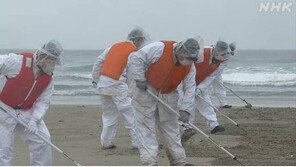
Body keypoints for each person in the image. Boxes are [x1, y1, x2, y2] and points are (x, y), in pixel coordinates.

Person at [129, 38, 201, 165]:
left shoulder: (190, 66)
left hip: (168, 94)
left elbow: (190, 87)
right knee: (146, 129)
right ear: (180, 50)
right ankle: (149, 162)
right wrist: (139, 78)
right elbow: (136, 58)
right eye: (187, 57)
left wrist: (186, 109)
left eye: (191, 58)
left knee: (171, 129)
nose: (189, 61)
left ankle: (179, 161)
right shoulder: (159, 48)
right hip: (146, 90)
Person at [0, 40, 64, 165]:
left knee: (43, 140)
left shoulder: (48, 78)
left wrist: (35, 120)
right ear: (43, 56)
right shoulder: (17, 61)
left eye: (54, 62)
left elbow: (43, 101)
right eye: (51, 61)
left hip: (27, 110)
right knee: (4, 149)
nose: (52, 65)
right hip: (3, 109)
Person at [91, 27, 150, 149]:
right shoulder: (134, 53)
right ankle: (137, 143)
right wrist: (131, 92)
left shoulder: (113, 47)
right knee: (130, 114)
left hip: (103, 84)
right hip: (117, 85)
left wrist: (96, 79)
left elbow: (98, 62)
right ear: (137, 40)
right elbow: (132, 75)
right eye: (141, 40)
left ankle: (106, 142)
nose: (141, 43)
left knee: (109, 114)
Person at [194, 40, 236, 134]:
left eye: (224, 54)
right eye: (221, 54)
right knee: (188, 105)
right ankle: (187, 127)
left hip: (201, 81)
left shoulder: (222, 59)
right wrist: (190, 85)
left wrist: (200, 87)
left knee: (207, 102)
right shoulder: (202, 52)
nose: (223, 57)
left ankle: (214, 126)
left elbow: (211, 76)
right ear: (215, 50)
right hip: (187, 81)